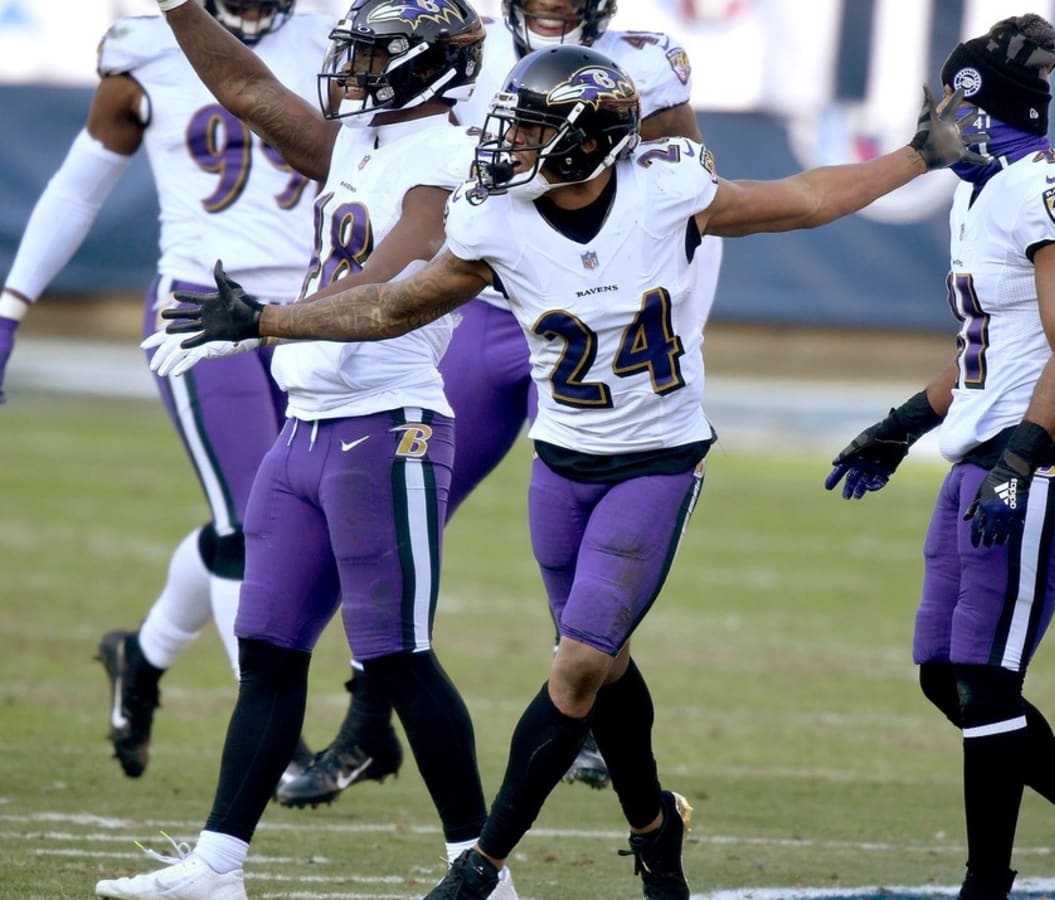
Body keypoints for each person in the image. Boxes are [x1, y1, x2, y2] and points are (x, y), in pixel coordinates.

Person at [147, 41, 981, 899]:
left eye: (532, 128)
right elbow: (395, 304)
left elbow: (806, 199)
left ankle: (481, 867)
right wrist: (271, 320)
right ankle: (656, 830)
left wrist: (920, 154)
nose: (508, 144)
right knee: (605, 669)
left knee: (579, 665)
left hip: (655, 461)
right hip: (561, 469)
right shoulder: (494, 219)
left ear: (585, 140)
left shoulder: (667, 192)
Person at [95, 0, 517, 898]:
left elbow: (388, 298)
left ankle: (477, 869)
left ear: (430, 67)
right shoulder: (362, 140)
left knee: (397, 653)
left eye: (372, 55)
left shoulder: (450, 166)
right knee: (272, 648)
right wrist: (177, 5)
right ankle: (218, 866)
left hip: (389, 425)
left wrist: (264, 322)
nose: (352, 69)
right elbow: (246, 85)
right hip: (310, 425)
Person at [281, 0, 721, 809]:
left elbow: (692, 215)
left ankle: (585, 705)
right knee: (409, 517)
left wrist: (678, 327)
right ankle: (367, 726)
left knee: (608, 514)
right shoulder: (466, 52)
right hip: (486, 309)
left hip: (605, 325)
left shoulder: (645, 61)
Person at [823, 14, 1055, 900]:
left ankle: (989, 884)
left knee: (985, 680)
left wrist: (1022, 458)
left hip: (1041, 460)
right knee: (946, 676)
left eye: (944, 96)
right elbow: (994, 349)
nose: (932, 113)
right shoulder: (977, 189)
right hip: (984, 454)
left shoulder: (1054, 184)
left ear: (974, 105)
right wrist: (903, 422)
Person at [0, 0, 332, 780]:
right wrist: (12, 302)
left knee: (278, 523)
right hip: (199, 308)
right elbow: (81, 187)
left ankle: (142, 658)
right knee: (252, 522)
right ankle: (276, 735)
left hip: (313, 314)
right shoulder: (149, 42)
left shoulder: (332, 35)